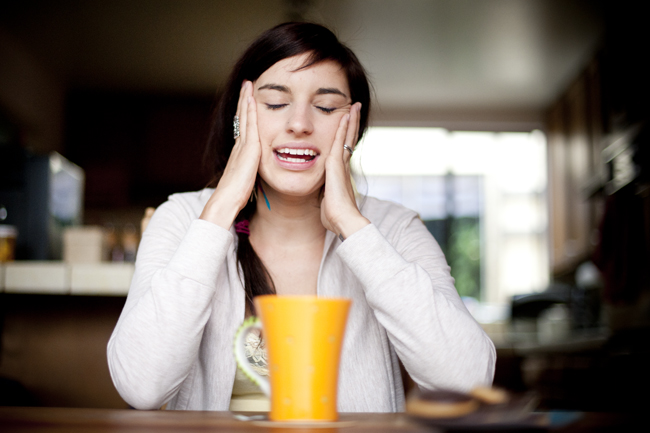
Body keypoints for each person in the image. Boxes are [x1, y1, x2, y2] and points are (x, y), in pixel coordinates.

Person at [107, 22, 495, 412]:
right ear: (241, 115)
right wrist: (221, 209)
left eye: (325, 107)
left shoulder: (394, 228)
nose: (300, 124)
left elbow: (468, 382)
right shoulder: (182, 219)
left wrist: (353, 226)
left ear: (353, 127)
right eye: (276, 103)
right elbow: (142, 386)